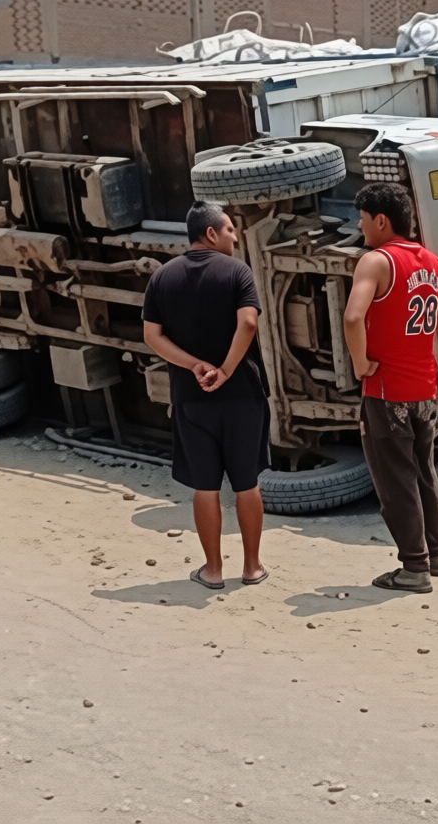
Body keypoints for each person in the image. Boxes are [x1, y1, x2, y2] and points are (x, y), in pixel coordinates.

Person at [142, 201, 269, 589]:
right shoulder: (237, 272)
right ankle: (251, 567)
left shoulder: (162, 277)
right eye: (230, 229)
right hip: (243, 395)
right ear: (212, 233)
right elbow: (248, 322)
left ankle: (212, 570)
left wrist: (195, 365)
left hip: (192, 397)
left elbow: (152, 336)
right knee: (247, 483)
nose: (234, 236)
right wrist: (227, 369)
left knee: (205, 486)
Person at [343, 182, 438, 594]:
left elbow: (353, 317)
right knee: (423, 470)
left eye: (363, 220)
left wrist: (361, 363)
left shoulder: (375, 262)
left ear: (381, 220)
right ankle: (437, 553)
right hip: (424, 388)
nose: (361, 229)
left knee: (396, 480)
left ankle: (414, 568)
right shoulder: (431, 261)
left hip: (386, 389)